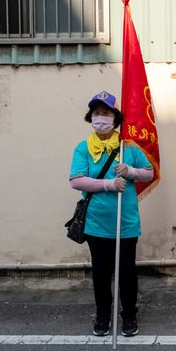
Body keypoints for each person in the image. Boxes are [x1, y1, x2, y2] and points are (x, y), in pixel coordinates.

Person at [69, 91, 154, 337]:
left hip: (125, 223)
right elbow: (76, 181)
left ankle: (129, 316)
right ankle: (103, 315)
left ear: (115, 119)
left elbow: (149, 173)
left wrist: (130, 171)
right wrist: (108, 184)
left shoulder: (129, 147)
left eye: (106, 113)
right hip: (96, 223)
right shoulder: (83, 148)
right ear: (90, 118)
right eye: (97, 113)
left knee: (127, 273)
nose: (101, 118)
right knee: (100, 273)